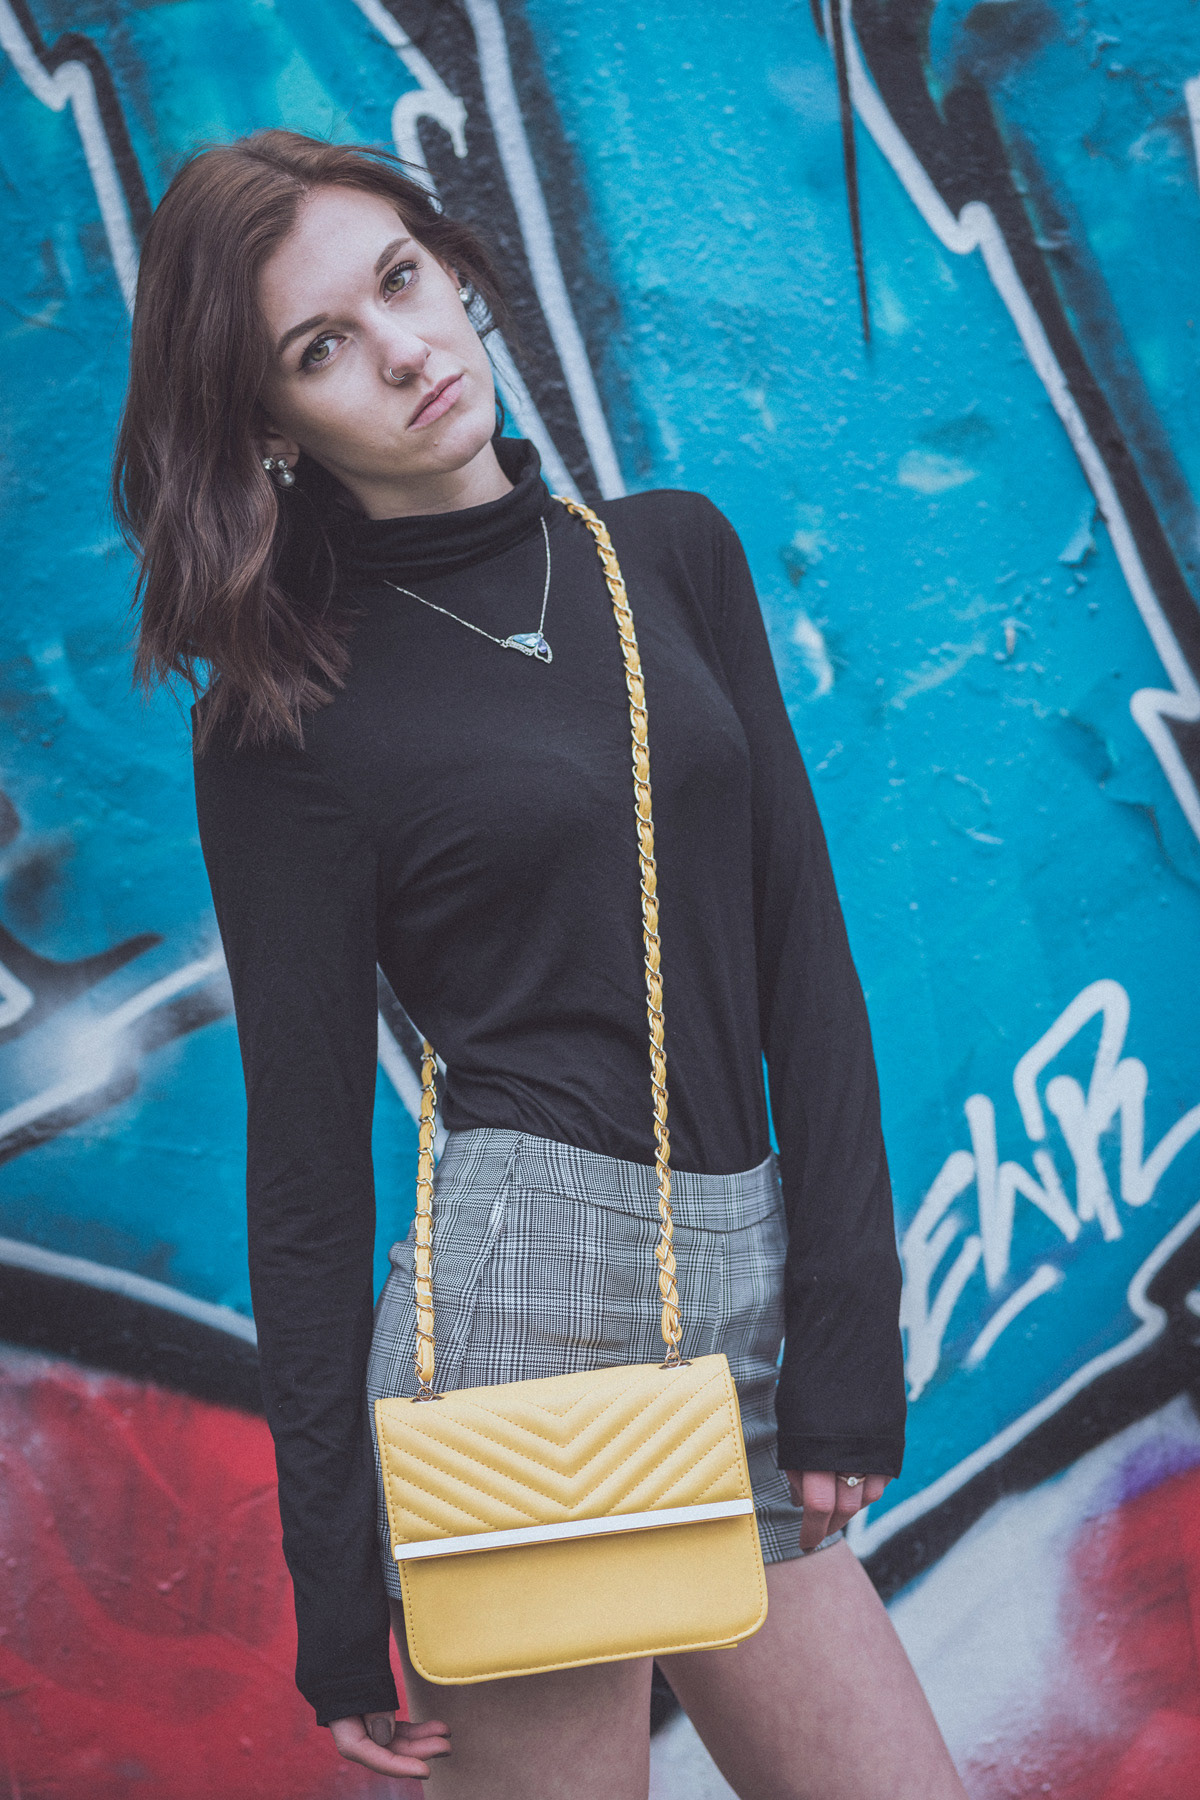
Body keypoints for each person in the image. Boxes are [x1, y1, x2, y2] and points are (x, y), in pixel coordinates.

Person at [113, 129, 966, 1800]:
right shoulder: (285, 719)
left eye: (401, 281)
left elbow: (805, 962)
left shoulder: (675, 556)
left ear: (457, 266)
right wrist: (337, 1585)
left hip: (743, 1294)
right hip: (523, 1332)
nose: (402, 350)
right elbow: (305, 1169)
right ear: (271, 425)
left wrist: (848, 1337)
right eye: (321, 348)